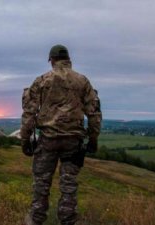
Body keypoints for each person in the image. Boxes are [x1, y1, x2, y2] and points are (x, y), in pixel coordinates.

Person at [21, 44, 102, 225]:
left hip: (48, 139)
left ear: (52, 60)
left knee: (41, 185)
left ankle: (35, 220)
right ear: (68, 60)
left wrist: (25, 139)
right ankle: (68, 220)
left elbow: (29, 113)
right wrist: (93, 138)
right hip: (73, 141)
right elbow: (94, 113)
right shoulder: (82, 81)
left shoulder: (42, 80)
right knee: (68, 185)